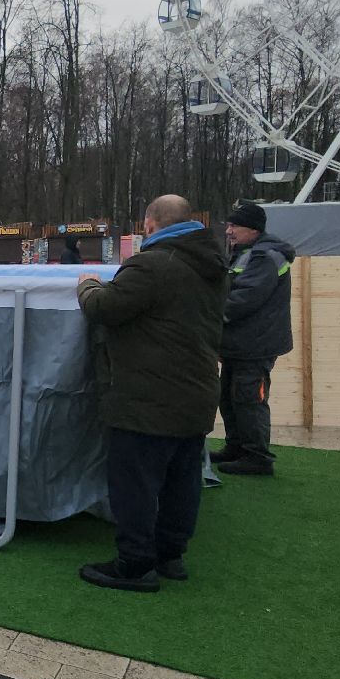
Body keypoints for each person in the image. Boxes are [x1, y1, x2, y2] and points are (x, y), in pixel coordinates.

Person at [74, 195, 227, 592]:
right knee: (182, 479)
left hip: (147, 395)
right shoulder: (211, 266)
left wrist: (87, 285)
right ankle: (171, 555)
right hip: (195, 392)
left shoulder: (153, 264)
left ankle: (136, 564)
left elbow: (105, 308)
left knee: (135, 482)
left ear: (150, 225)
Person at [214, 201, 297, 476]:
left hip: (255, 344)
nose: (228, 231)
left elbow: (243, 298)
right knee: (229, 396)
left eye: (234, 225)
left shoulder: (266, 256)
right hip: (239, 343)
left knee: (249, 399)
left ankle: (258, 457)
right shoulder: (245, 252)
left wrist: (209, 316)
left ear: (253, 228)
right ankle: (237, 447)